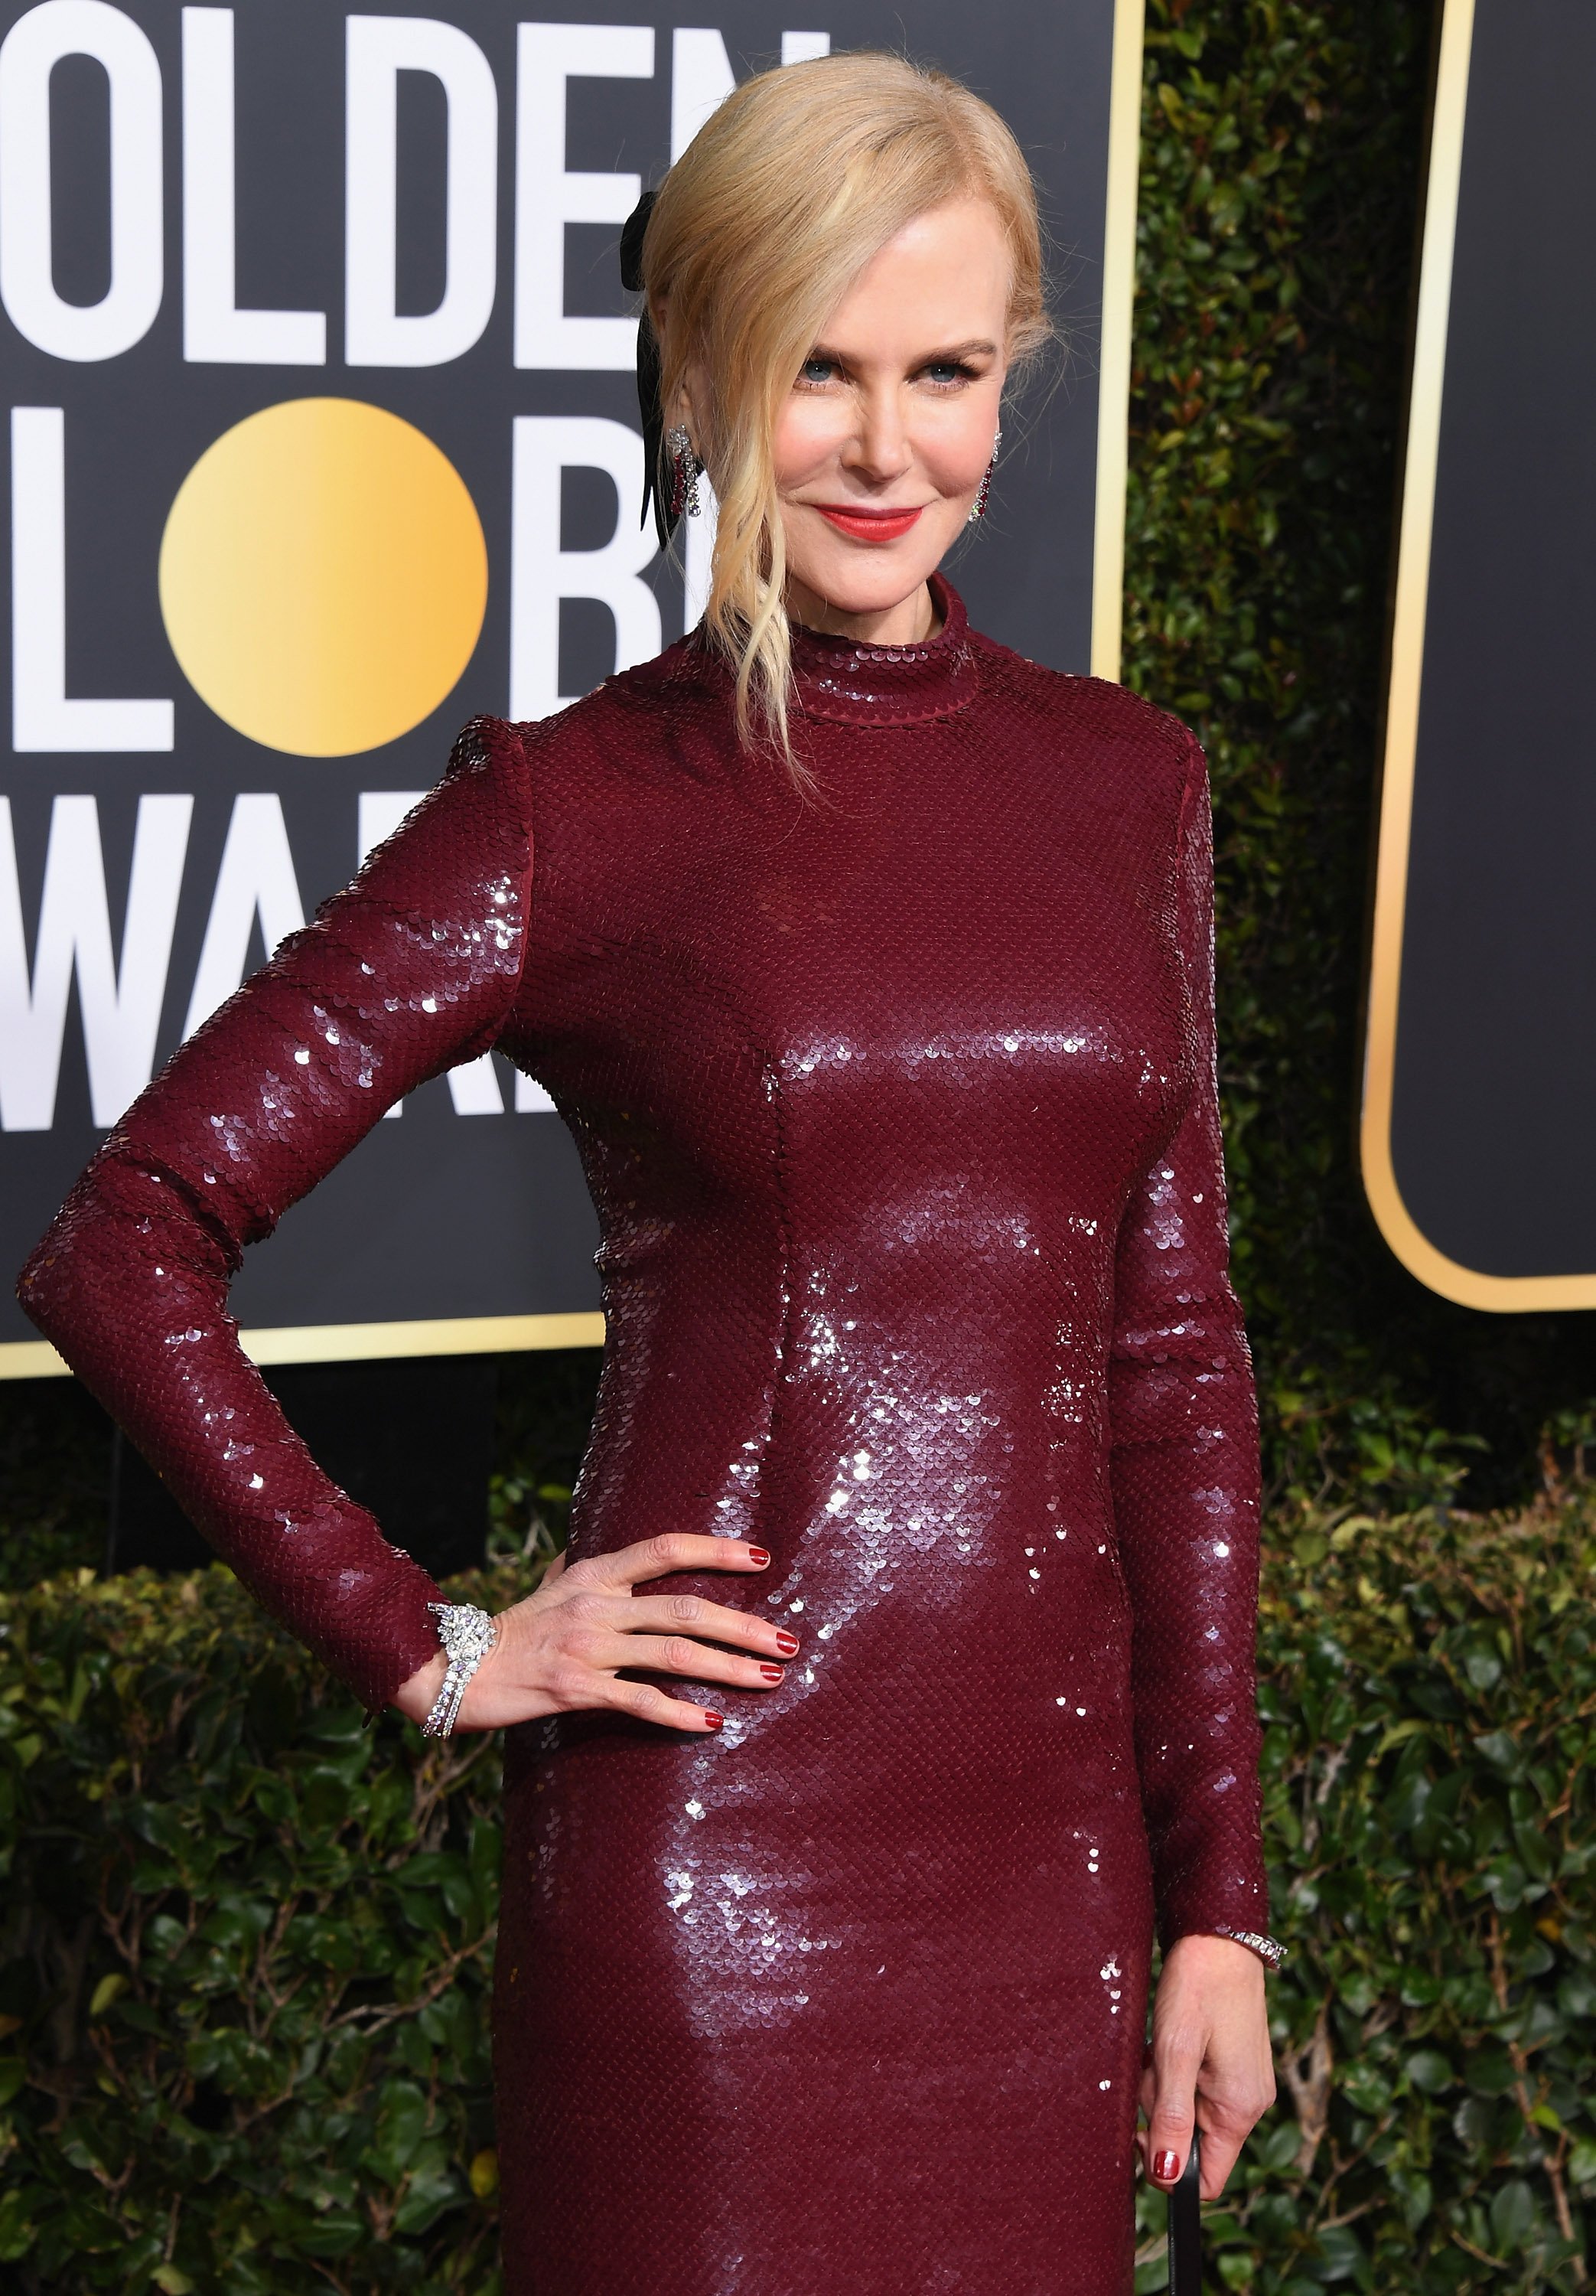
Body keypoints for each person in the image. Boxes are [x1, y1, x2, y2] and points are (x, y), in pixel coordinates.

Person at [18, 50, 1280, 2296]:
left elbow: (1171, 1369)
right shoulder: (578, 808)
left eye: (948, 372)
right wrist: (428, 1642)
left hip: (1050, 1887)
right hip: (710, 1875)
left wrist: (1221, 1910)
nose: (888, 446)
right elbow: (128, 1244)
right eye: (816, 367)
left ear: (1016, 385)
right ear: (699, 373)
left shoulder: (1131, 788)